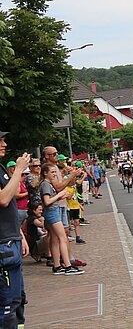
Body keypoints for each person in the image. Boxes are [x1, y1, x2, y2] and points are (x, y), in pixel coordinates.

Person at [0, 132, 30, 326]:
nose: (4, 144)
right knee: (7, 305)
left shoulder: (0, 167)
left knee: (18, 300)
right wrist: (19, 169)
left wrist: (20, 235)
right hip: (3, 246)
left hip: (11, 241)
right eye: (0, 141)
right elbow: (3, 199)